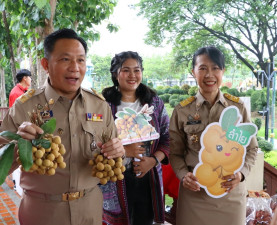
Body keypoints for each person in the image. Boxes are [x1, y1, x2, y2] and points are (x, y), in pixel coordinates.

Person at [0, 28, 125, 225]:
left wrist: (118, 151)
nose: (75, 67)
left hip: (90, 209)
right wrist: (20, 146)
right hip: (42, 212)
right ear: (46, 64)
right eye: (65, 59)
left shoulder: (99, 105)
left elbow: (117, 153)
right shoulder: (24, 107)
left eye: (80, 60)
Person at [169, 46, 259, 225]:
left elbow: (252, 148)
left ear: (223, 71)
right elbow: (175, 153)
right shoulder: (182, 110)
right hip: (194, 195)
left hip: (230, 194)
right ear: (193, 72)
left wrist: (241, 175)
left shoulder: (237, 108)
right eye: (202, 68)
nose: (209, 74)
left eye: (215, 68)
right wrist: (183, 175)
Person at [100, 51, 170, 225]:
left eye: (137, 70)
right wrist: (124, 151)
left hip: (148, 177)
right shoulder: (103, 104)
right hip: (114, 178)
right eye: (126, 70)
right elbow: (93, 142)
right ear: (116, 74)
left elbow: (168, 137)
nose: (132, 75)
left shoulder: (154, 103)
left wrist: (153, 160)